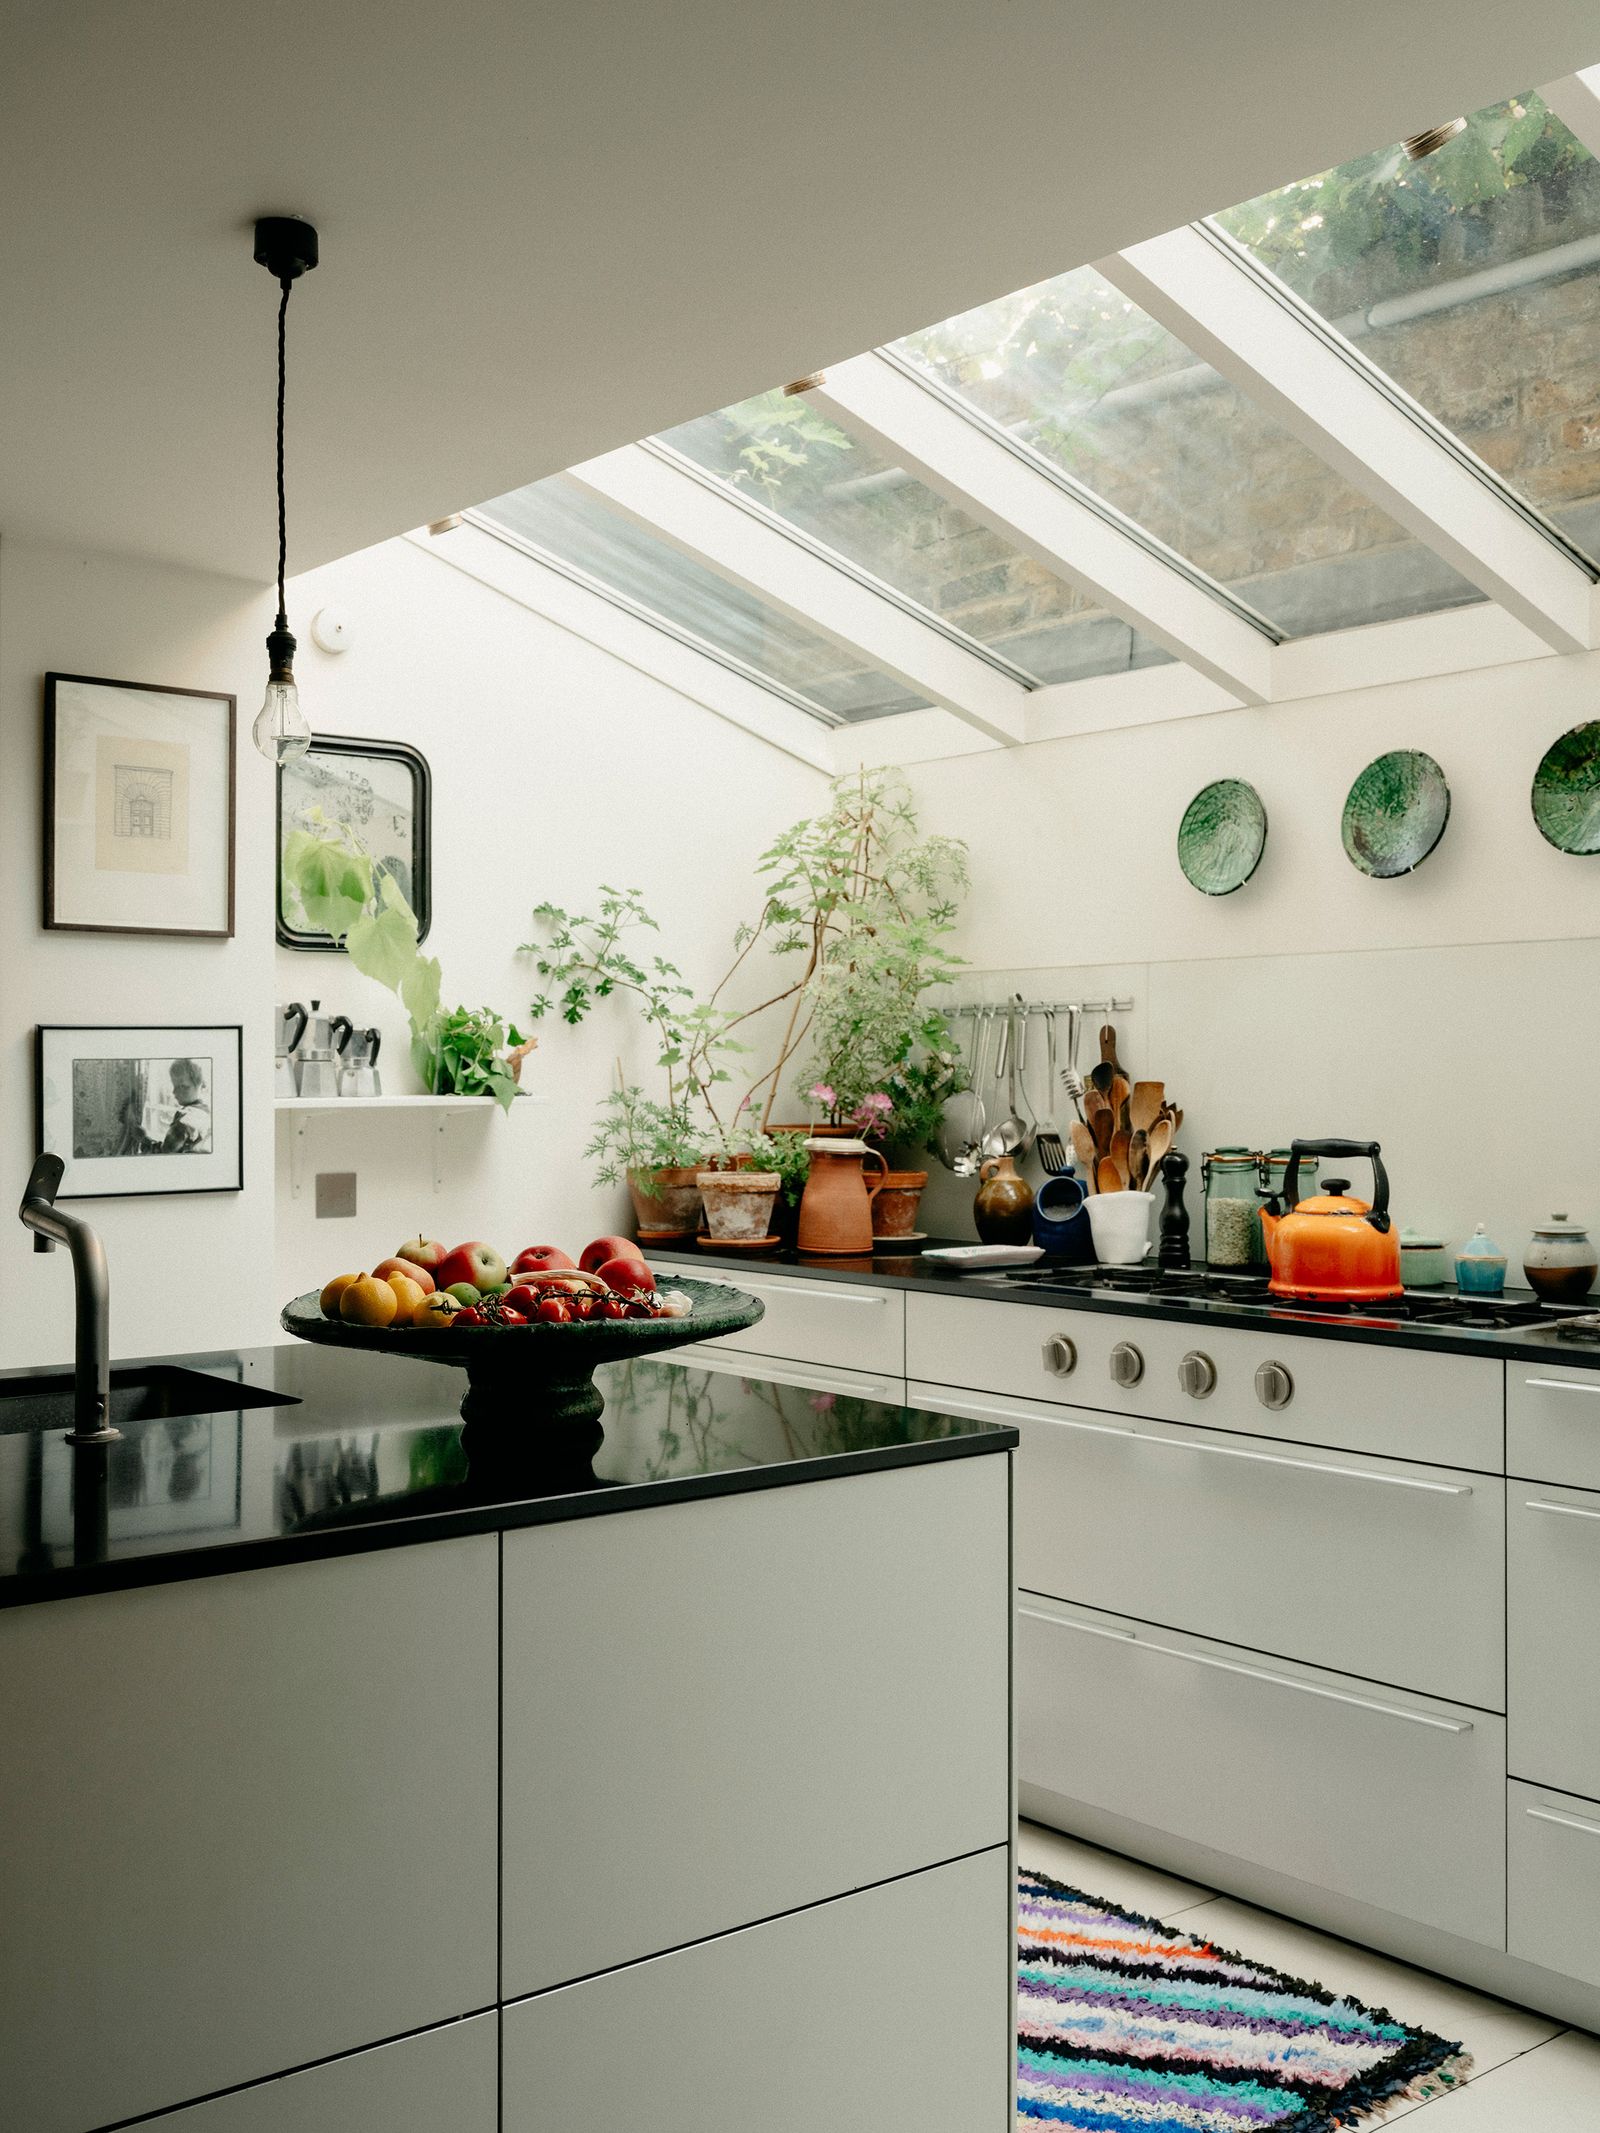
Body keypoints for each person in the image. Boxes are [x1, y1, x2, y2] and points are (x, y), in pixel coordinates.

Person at [159, 1058, 211, 1154]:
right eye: (174, 1086)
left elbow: (166, 1152)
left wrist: (145, 1140)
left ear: (201, 1085)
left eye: (183, 1087)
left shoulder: (185, 1120)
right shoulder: (207, 1111)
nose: (174, 1092)